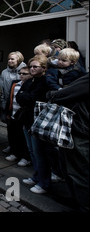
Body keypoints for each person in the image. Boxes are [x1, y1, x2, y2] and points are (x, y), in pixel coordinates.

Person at [17, 55, 60, 194]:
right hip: (27, 119)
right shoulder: (30, 81)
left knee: (40, 153)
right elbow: (20, 97)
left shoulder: (44, 81)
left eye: (36, 66)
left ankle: (44, 182)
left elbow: (31, 98)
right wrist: (24, 96)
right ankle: (36, 176)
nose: (32, 69)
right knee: (32, 151)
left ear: (44, 68)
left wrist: (25, 96)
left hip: (39, 121)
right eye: (31, 67)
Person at [48, 74, 89, 212]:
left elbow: (61, 95)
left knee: (78, 173)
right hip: (82, 130)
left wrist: (52, 93)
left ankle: (82, 205)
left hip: (82, 132)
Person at [4, 66, 32, 166]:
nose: (21, 75)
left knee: (23, 137)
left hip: (24, 115)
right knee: (14, 135)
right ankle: (14, 152)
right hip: (13, 113)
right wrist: (8, 111)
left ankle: (25, 157)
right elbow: (10, 98)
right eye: (20, 73)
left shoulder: (31, 85)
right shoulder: (15, 83)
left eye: (24, 74)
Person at [0, 51, 27, 124]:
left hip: (20, 104)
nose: (9, 61)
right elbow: (1, 88)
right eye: (9, 59)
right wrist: (2, 102)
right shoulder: (4, 72)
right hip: (8, 103)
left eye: (12, 59)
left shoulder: (26, 71)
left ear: (19, 59)